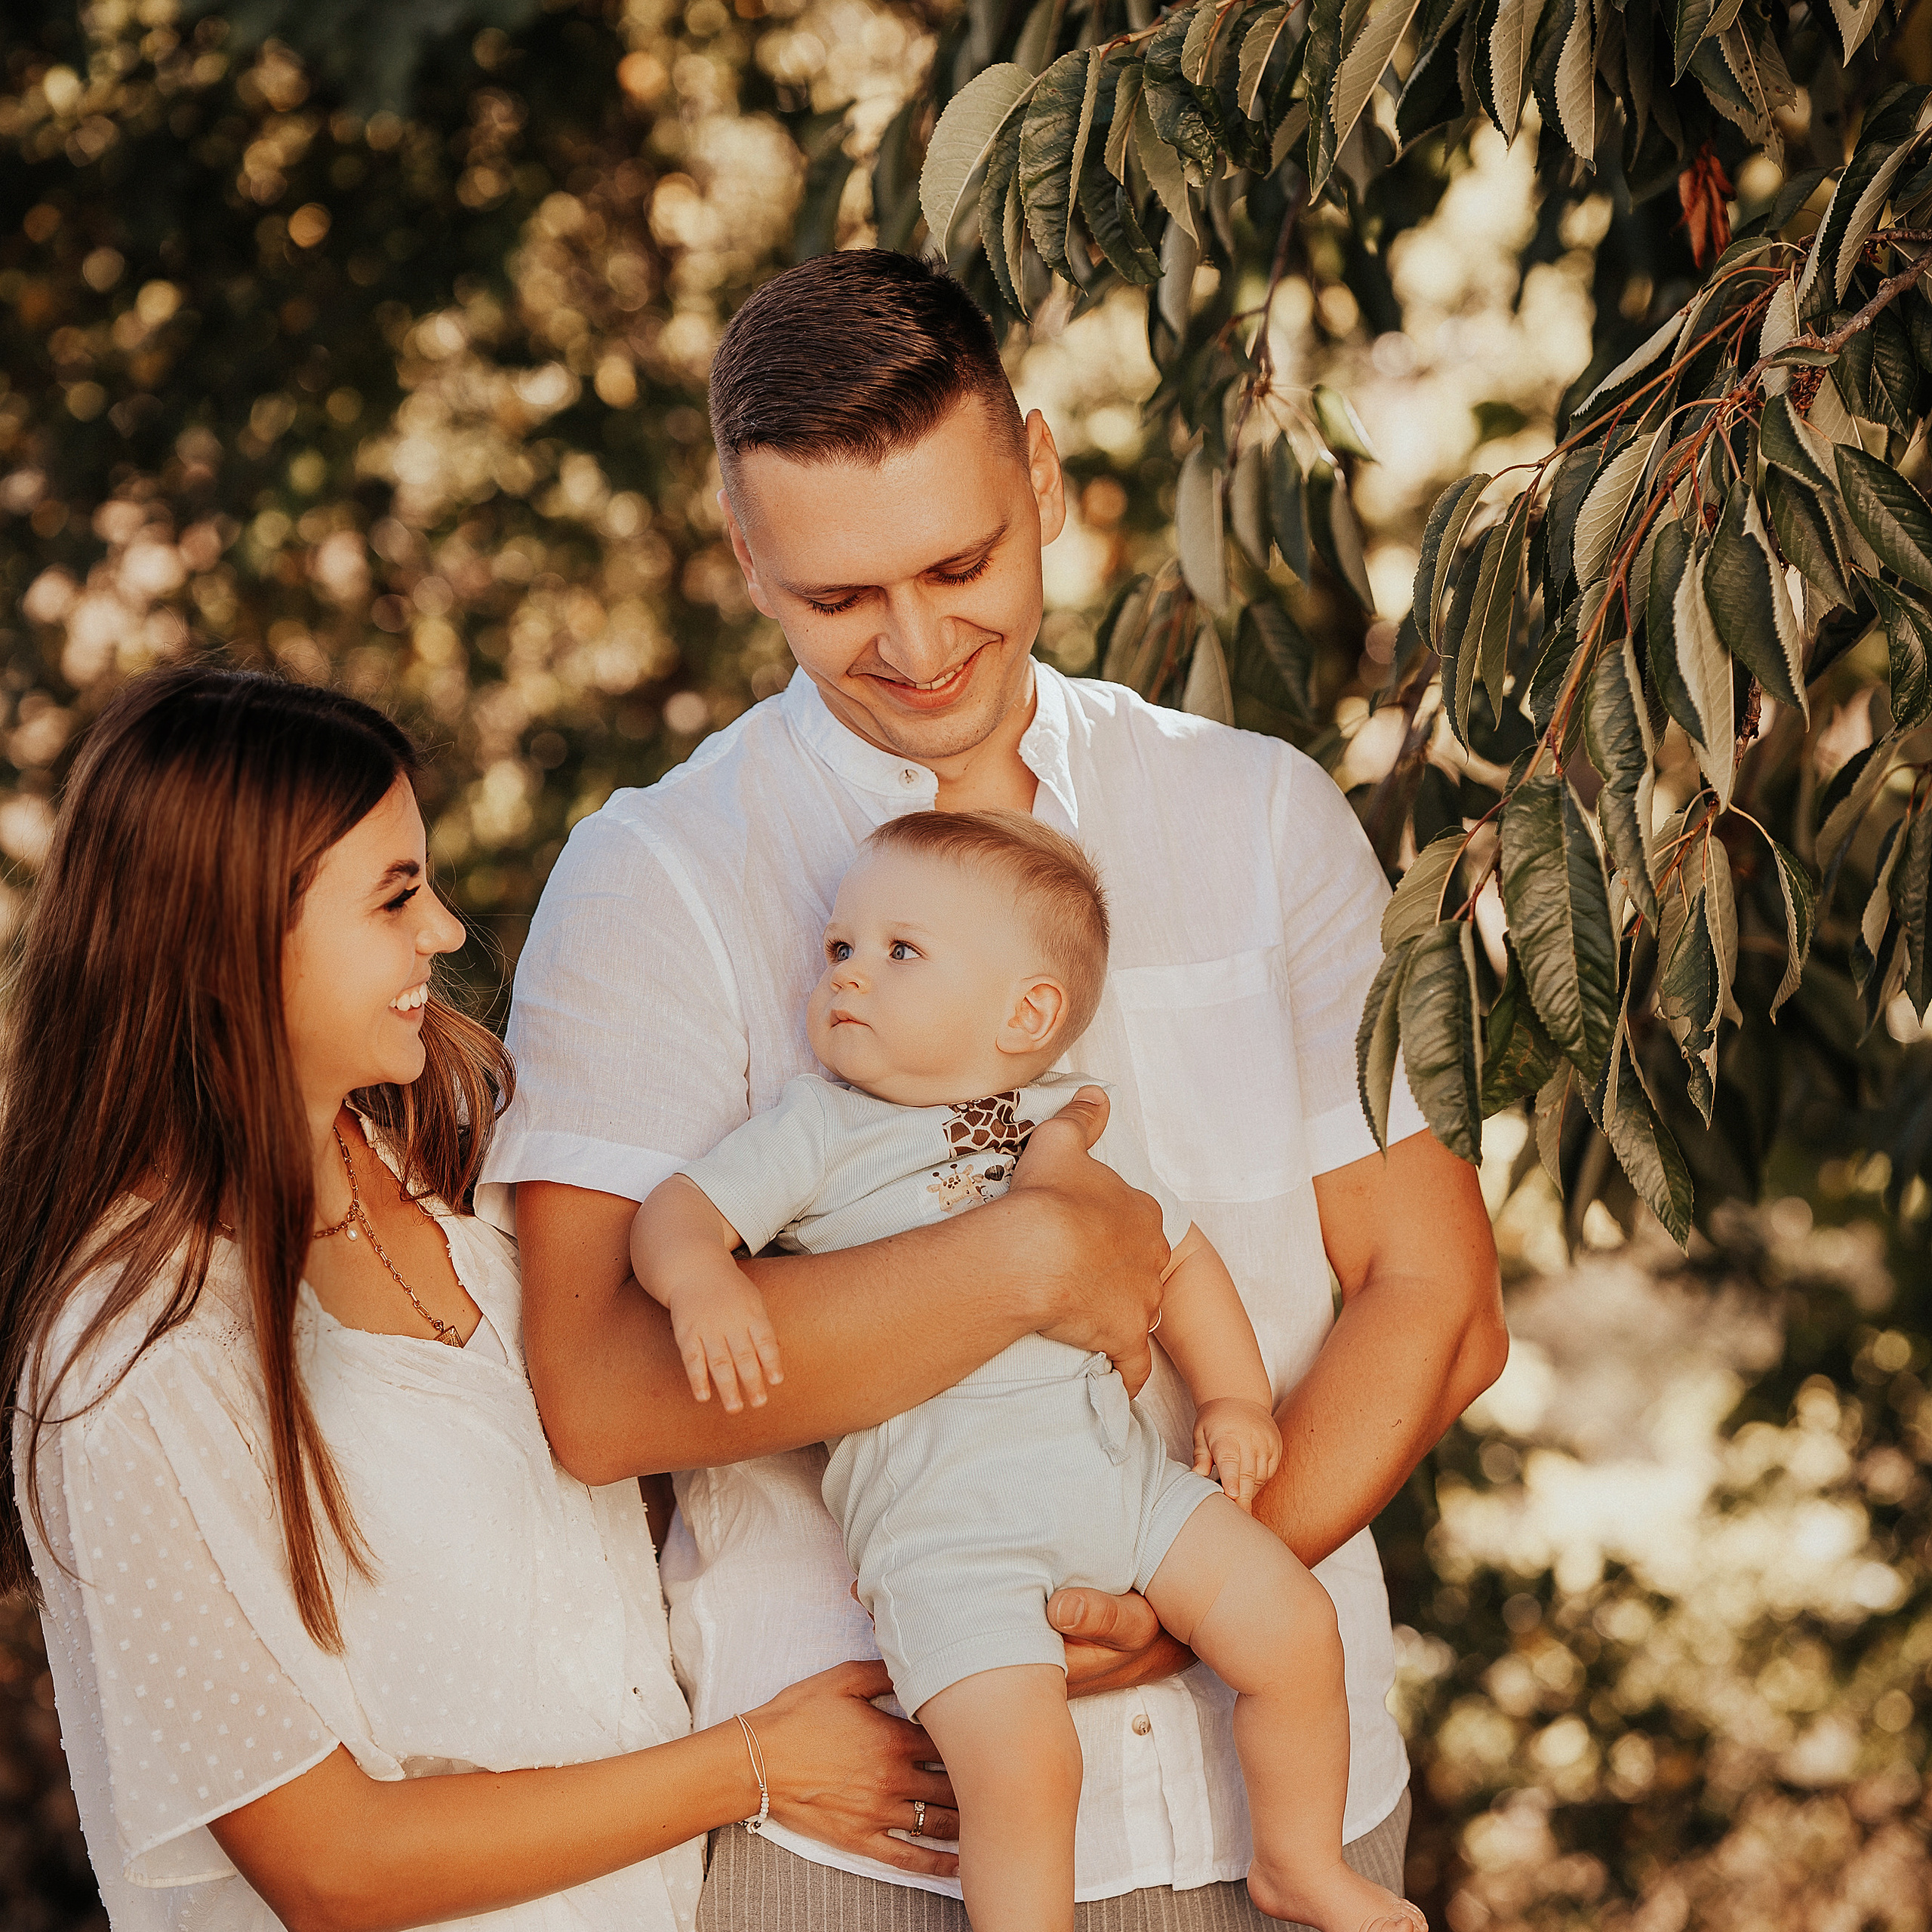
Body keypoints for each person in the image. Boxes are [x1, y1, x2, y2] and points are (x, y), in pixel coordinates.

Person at [481, 248, 1509, 1929]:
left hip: (1292, 1803)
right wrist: (1021, 1264)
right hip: (876, 1843)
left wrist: (1184, 1607)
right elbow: (596, 1387)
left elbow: (1437, 1296)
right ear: (744, 551)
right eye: (837, 597)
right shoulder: (653, 877)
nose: (916, 643)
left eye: (960, 563)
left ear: (1039, 471)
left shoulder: (1258, 816)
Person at [0, 666, 963, 1932]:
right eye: (395, 896)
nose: (446, 932)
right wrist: (754, 1765)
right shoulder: (132, 1358)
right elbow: (330, 1866)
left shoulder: (448, 1162)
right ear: (232, 940)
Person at [633, 808, 1426, 1932]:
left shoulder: (1064, 1124)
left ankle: (1298, 1861)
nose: (848, 973)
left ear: (1029, 1014)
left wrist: (1236, 1397)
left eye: (899, 951)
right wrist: (703, 1282)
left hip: (1124, 1486)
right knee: (1023, 1771)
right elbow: (677, 1213)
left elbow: (1174, 1256)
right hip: (946, 1535)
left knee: (1297, 1627)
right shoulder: (821, 1128)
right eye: (840, 948)